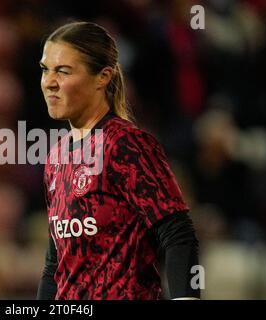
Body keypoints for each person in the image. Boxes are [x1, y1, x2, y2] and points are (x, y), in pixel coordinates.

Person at [36, 21, 201, 300]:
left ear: (103, 77)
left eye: (63, 71)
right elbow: (55, 264)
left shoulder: (126, 145)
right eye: (45, 69)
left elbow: (177, 233)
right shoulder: (57, 156)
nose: (49, 82)